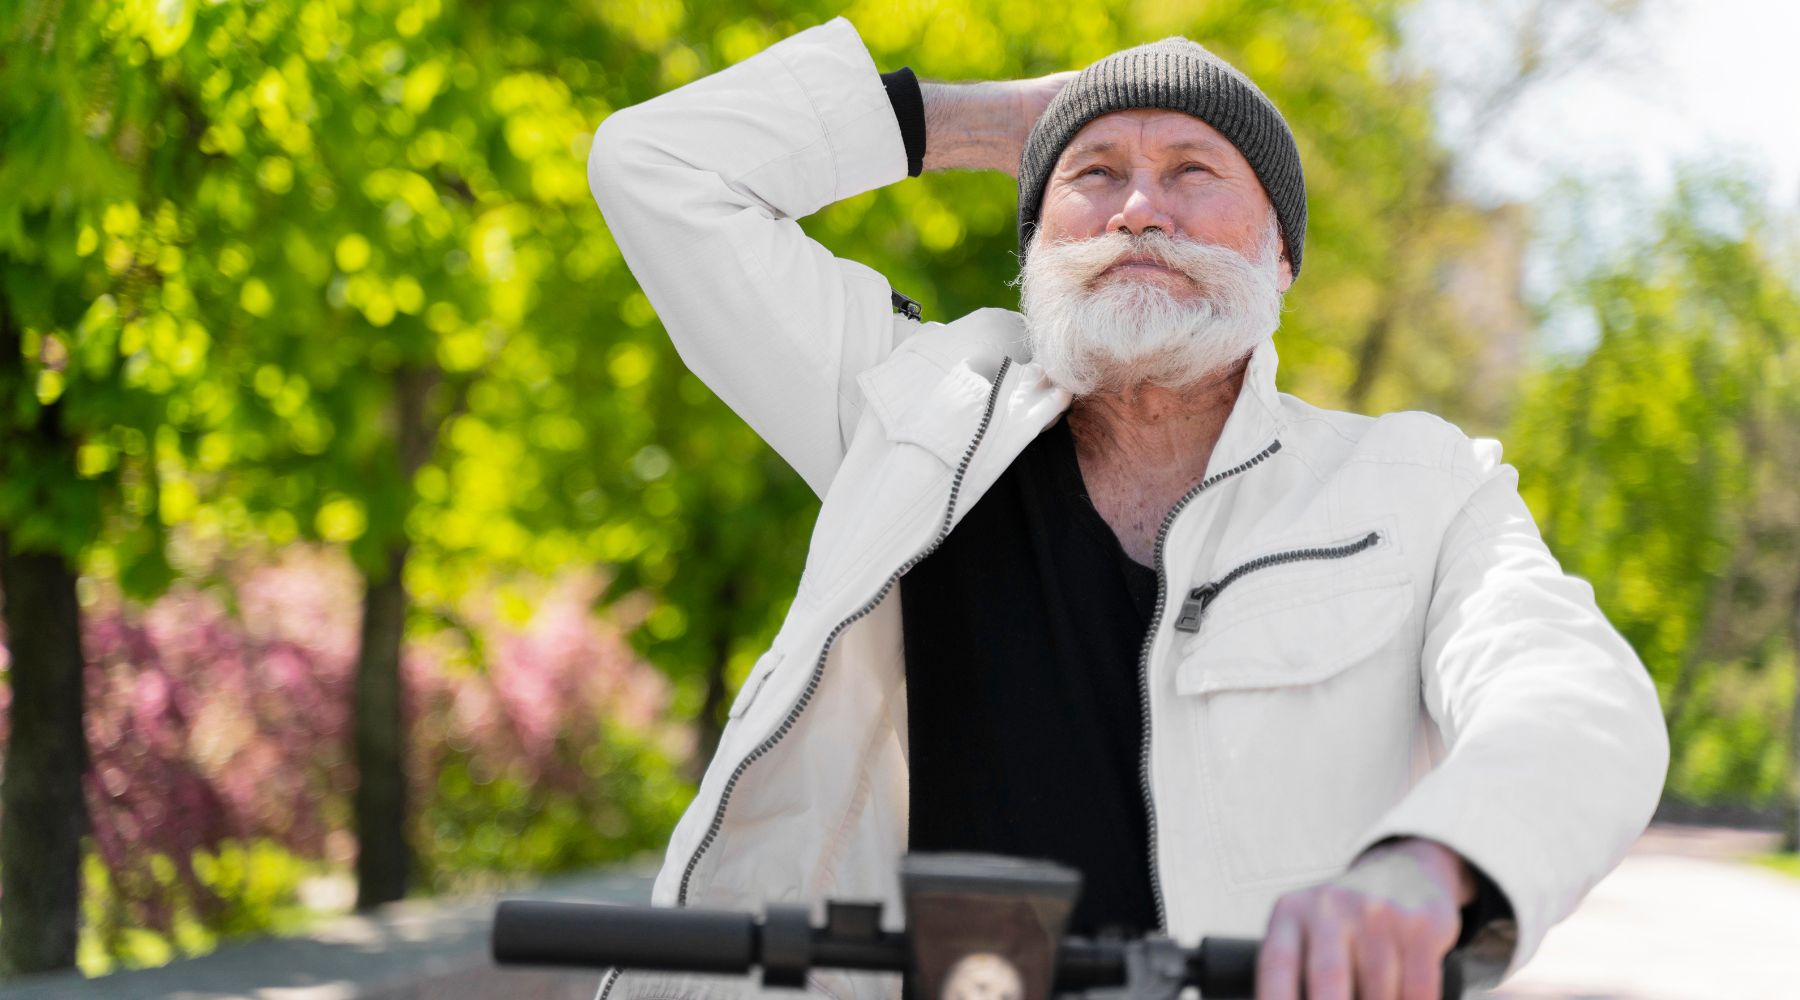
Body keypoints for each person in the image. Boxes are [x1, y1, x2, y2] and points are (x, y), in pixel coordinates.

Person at [586, 17, 1668, 1000]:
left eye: (1194, 170)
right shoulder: (905, 413)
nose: (1141, 207)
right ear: (1035, 252)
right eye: (1093, 175)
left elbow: (1571, 692)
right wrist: (1010, 118)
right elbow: (654, 168)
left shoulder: (1423, 483)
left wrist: (1434, 863)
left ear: (1281, 255)